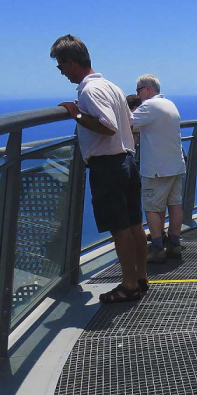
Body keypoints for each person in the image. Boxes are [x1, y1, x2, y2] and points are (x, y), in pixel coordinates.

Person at [50, 34, 147, 303]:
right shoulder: (112, 87)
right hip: (127, 160)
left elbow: (108, 126)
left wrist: (76, 113)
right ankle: (140, 277)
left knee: (120, 228)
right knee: (134, 223)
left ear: (70, 62)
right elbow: (128, 122)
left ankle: (129, 285)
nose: (61, 72)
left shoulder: (90, 90)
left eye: (61, 66)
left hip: (108, 165)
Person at [131, 75, 187, 262]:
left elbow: (127, 123)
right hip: (176, 164)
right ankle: (174, 244)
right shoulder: (170, 104)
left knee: (152, 208)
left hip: (156, 169)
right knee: (175, 205)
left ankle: (157, 248)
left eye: (138, 90)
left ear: (147, 89)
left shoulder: (149, 106)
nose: (138, 95)